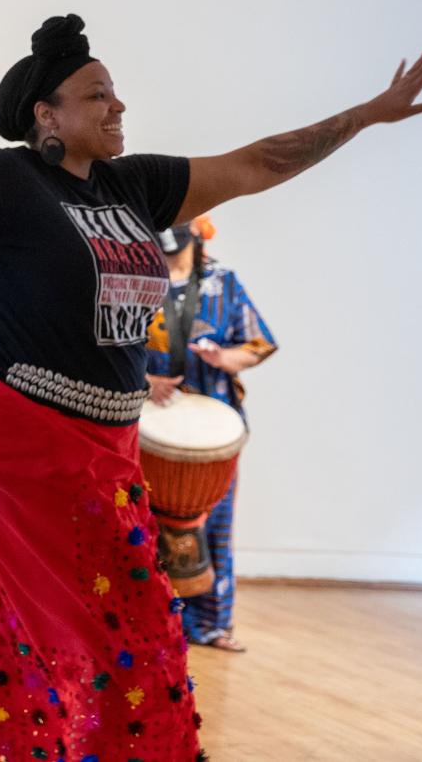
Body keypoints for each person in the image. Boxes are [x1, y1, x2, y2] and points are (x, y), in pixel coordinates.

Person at [0, 14, 422, 761]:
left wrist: (366, 116)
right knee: (71, 643)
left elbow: (258, 163)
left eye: (115, 93)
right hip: (7, 446)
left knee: (137, 638)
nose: (117, 106)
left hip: (105, 452)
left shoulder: (139, 184)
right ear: (45, 115)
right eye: (96, 95)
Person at [146, 217, 277, 653]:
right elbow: (100, 349)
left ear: (199, 235)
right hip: (143, 425)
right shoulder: (135, 281)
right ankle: (142, 624)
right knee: (137, 529)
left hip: (211, 427)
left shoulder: (223, 283)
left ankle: (209, 624)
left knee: (216, 526)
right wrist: (143, 382)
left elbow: (258, 344)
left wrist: (226, 357)